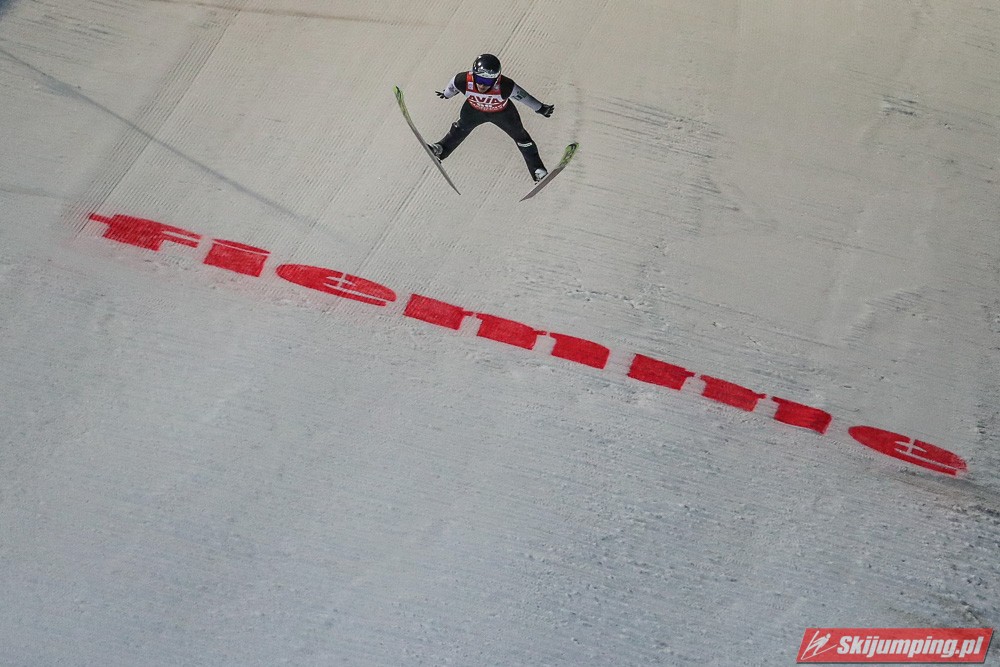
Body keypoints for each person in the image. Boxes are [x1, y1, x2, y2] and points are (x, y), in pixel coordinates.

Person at [428, 53, 555, 183]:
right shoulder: (462, 80)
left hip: (502, 114)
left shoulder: (505, 85)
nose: (482, 85)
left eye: (488, 81)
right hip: (474, 111)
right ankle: (440, 149)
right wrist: (446, 94)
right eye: (479, 79)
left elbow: (524, 97)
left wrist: (540, 108)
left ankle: (537, 170)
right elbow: (452, 86)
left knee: (522, 139)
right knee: (460, 129)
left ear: (496, 79)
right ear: (473, 74)